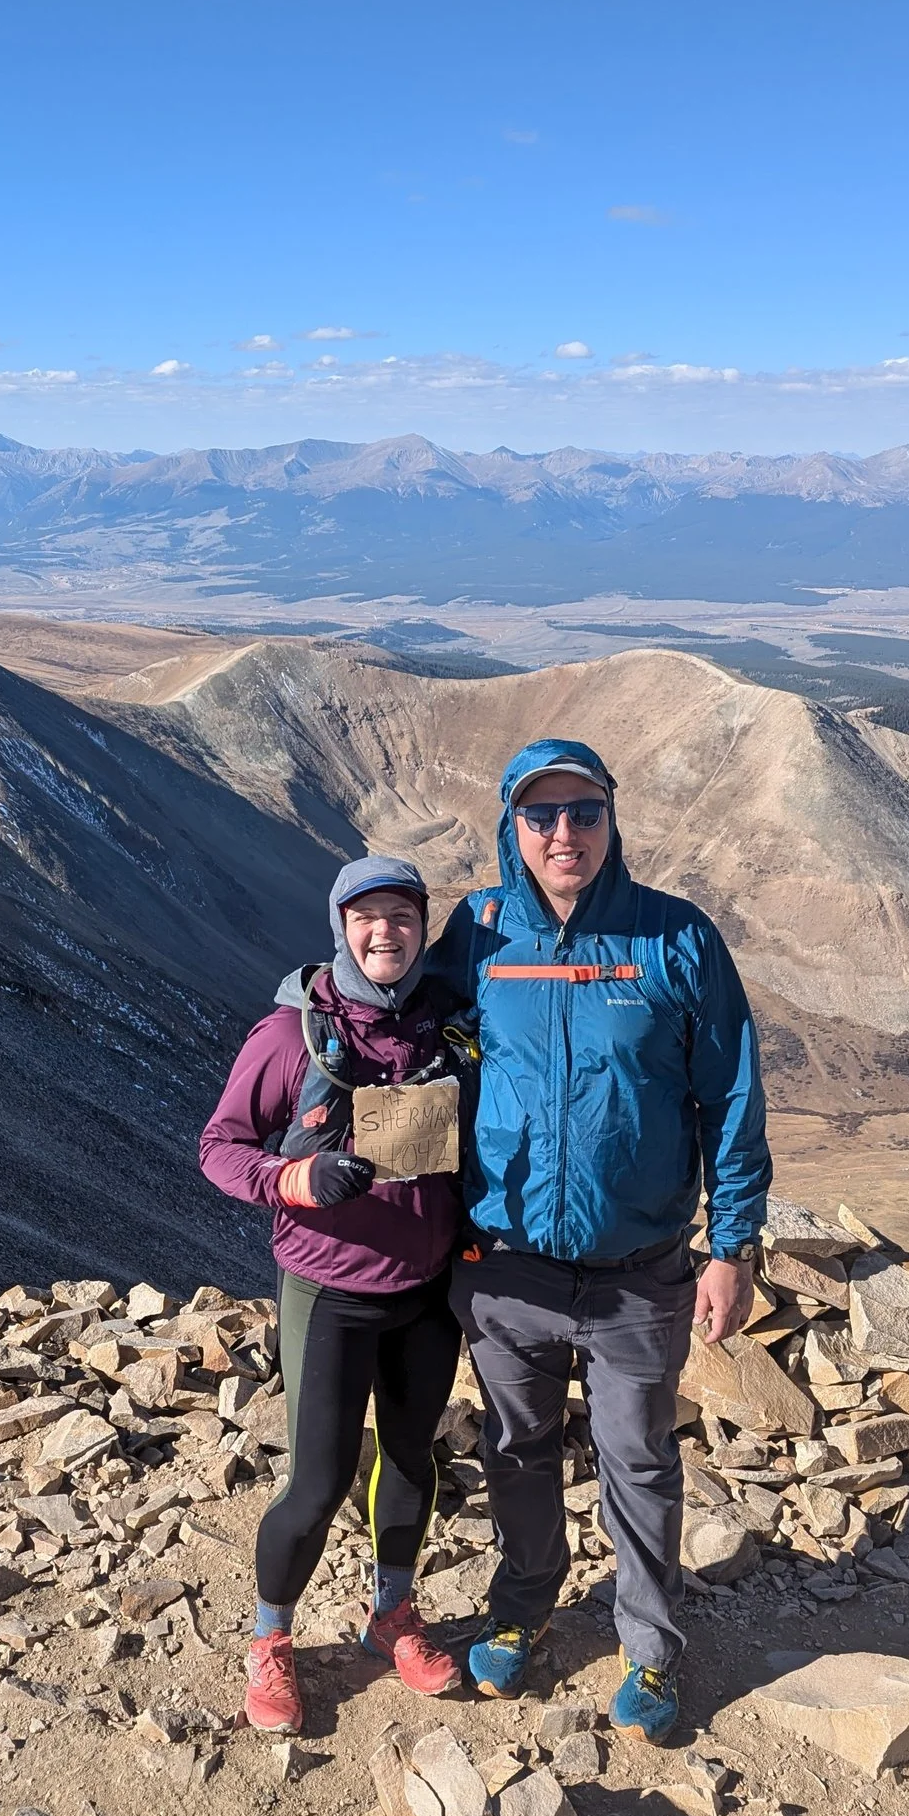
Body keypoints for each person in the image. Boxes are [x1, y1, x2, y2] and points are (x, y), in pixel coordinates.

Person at [428, 737, 770, 1745]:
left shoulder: (676, 939)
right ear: (511, 829)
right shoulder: (480, 935)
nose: (563, 832)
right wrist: (302, 1032)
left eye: (582, 811)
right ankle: (524, 1605)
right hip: (505, 1269)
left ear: (612, 818)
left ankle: (651, 1646)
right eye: (541, 816)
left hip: (639, 1273)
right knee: (516, 1450)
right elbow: (402, 1030)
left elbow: (731, 1095)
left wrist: (733, 1243)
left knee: (640, 1461)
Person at [197, 855, 472, 1735]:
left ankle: (391, 1615)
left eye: (402, 916)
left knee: (410, 1460)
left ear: (423, 928)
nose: (385, 932)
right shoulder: (292, 1035)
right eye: (368, 917)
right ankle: (271, 1642)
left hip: (427, 1290)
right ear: (340, 927)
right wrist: (298, 1179)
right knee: (315, 1485)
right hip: (330, 1290)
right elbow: (220, 1147)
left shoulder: (448, 1025)